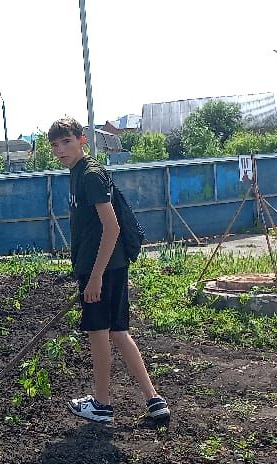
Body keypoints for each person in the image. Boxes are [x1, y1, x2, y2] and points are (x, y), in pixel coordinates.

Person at [49, 117, 170, 423]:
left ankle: (101, 404)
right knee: (118, 331)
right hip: (108, 267)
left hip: (101, 268)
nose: (61, 149)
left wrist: (95, 276)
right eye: (55, 145)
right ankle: (154, 399)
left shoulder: (89, 174)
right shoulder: (79, 173)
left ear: (81, 140)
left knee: (98, 333)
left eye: (67, 141)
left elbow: (112, 227)